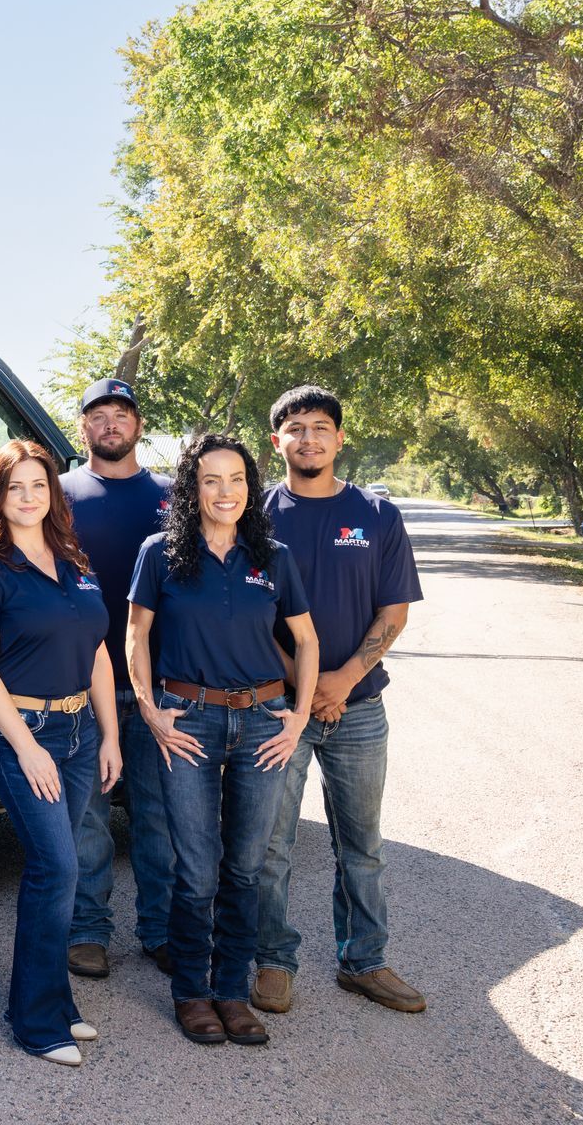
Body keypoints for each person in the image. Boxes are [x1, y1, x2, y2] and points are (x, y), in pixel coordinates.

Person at [126, 434, 319, 1046]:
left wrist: (298, 718)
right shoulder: (160, 554)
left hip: (265, 724)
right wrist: (152, 711)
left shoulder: (275, 557)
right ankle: (191, 993)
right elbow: (135, 638)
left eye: (235, 479)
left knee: (246, 867)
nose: (225, 492)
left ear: (250, 487)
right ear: (191, 489)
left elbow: (307, 643)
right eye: (211, 480)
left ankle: (232, 993)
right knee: (197, 872)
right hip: (190, 722)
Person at [252, 386, 426, 1015]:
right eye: (295, 429)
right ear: (277, 442)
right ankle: (272, 961)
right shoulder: (255, 515)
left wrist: (343, 678)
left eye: (321, 428)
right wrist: (303, 686)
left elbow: (395, 610)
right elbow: (247, 611)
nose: (309, 439)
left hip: (359, 707)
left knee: (361, 844)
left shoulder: (376, 515)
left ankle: (365, 961)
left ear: (339, 439)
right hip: (277, 712)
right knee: (269, 846)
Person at [0, 440, 122, 1066]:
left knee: (67, 865)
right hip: (22, 731)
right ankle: (35, 1022)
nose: (28, 497)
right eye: (14, 487)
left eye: (39, 486)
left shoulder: (75, 563)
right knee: (54, 867)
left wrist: (108, 735)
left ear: (53, 493)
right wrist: (26, 748)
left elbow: (100, 653)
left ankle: (53, 1001)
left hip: (80, 733)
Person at [60, 378, 175, 981]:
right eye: (98, 415)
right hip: (79, 686)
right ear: (84, 427)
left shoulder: (173, 494)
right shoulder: (55, 494)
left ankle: (160, 930)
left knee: (158, 816)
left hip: (159, 687)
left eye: (121, 413)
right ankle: (87, 931)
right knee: (88, 817)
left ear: (138, 423)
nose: (110, 423)